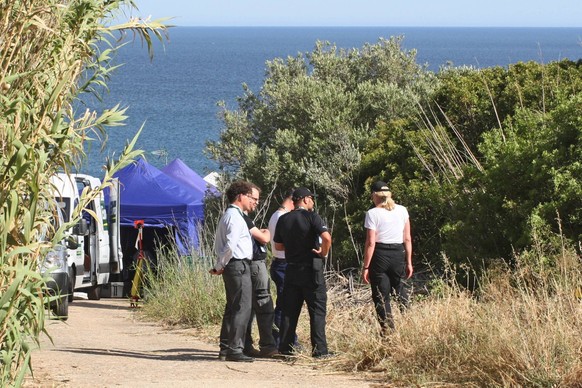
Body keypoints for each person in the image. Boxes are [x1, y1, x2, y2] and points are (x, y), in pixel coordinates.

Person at [274, 187, 332, 358]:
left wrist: (293, 247)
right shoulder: (311, 216)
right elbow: (327, 238)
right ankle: (320, 351)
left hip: (291, 268)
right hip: (311, 268)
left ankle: (285, 348)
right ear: (305, 199)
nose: (313, 202)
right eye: (311, 199)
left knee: (289, 311)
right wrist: (323, 252)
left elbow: (278, 246)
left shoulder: (283, 219)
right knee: (317, 310)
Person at [210, 180, 255, 362]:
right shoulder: (235, 217)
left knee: (232, 307)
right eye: (250, 196)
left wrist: (221, 264)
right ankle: (235, 349)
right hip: (238, 265)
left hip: (232, 265)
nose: (253, 201)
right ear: (240, 196)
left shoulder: (229, 215)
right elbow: (230, 245)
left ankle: (225, 347)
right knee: (242, 307)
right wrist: (220, 265)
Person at [362, 181, 413, 332]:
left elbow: (371, 242)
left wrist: (366, 266)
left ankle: (388, 330)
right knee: (400, 289)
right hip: (398, 253)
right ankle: (410, 324)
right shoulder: (403, 210)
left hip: (380, 255)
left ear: (374, 195)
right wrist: (409, 261)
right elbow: (408, 238)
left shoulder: (372, 213)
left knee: (381, 295)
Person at [242, 185, 278, 358]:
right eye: (254, 199)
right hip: (255, 264)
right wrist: (266, 231)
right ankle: (268, 345)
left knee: (249, 306)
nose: (256, 203)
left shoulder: (239, 217)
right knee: (264, 304)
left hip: (251, 264)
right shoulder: (244, 218)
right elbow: (264, 238)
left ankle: (246, 345)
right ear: (244, 197)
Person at [267, 188, 296, 347]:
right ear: (292, 200)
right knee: (284, 304)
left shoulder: (275, 215)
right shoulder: (282, 217)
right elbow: (281, 245)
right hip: (283, 263)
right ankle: (280, 340)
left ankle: (282, 339)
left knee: (284, 303)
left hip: (279, 263)